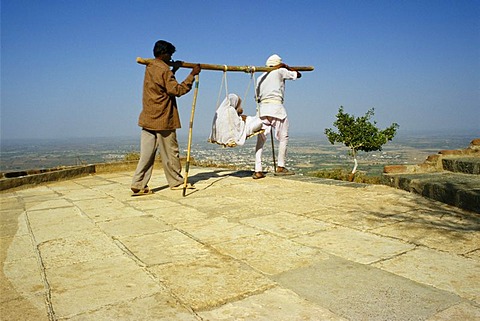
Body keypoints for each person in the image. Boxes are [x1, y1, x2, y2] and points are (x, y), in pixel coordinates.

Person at [131, 40, 201, 194]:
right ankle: (176, 181)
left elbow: (162, 86)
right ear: (164, 54)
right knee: (170, 153)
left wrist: (174, 70)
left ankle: (138, 183)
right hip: (163, 119)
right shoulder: (164, 70)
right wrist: (192, 75)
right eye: (170, 55)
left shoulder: (151, 67)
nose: (171, 58)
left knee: (146, 154)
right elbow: (176, 90)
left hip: (148, 118)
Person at [253, 54, 301, 179]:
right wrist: (286, 67)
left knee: (260, 141)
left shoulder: (260, 77)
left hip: (263, 110)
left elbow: (256, 97)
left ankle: (258, 170)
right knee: (283, 137)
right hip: (276, 108)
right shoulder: (280, 71)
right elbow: (298, 75)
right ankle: (280, 166)